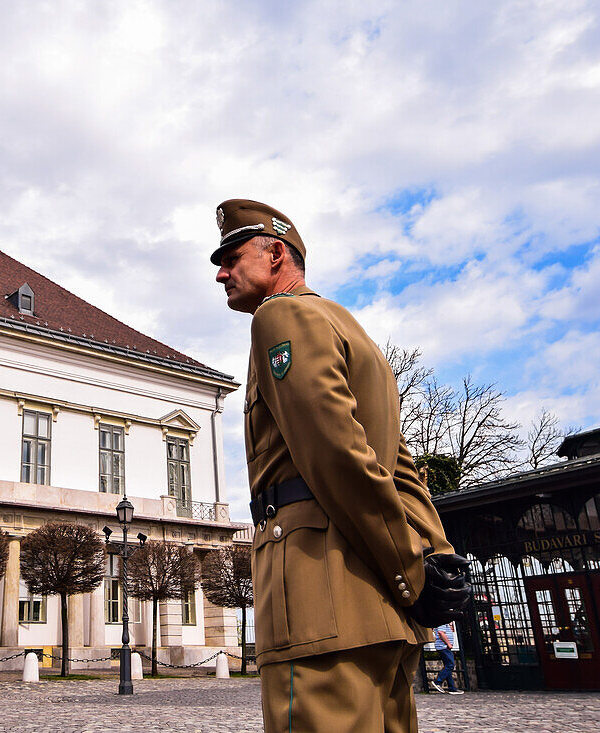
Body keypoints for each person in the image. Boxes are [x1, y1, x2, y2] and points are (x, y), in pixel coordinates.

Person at [212, 199, 471, 731]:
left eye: (232, 257)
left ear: (276, 254)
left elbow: (337, 454)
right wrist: (434, 555)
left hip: (316, 597)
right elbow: (399, 467)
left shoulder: (279, 316)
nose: (221, 273)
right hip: (380, 612)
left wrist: (412, 575)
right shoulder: (357, 334)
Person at [430, 622, 463, 694]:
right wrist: (448, 644)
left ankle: (452, 688)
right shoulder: (442, 621)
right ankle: (438, 682)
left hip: (444, 647)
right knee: (450, 665)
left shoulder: (445, 622)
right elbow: (441, 632)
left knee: (448, 666)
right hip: (444, 647)